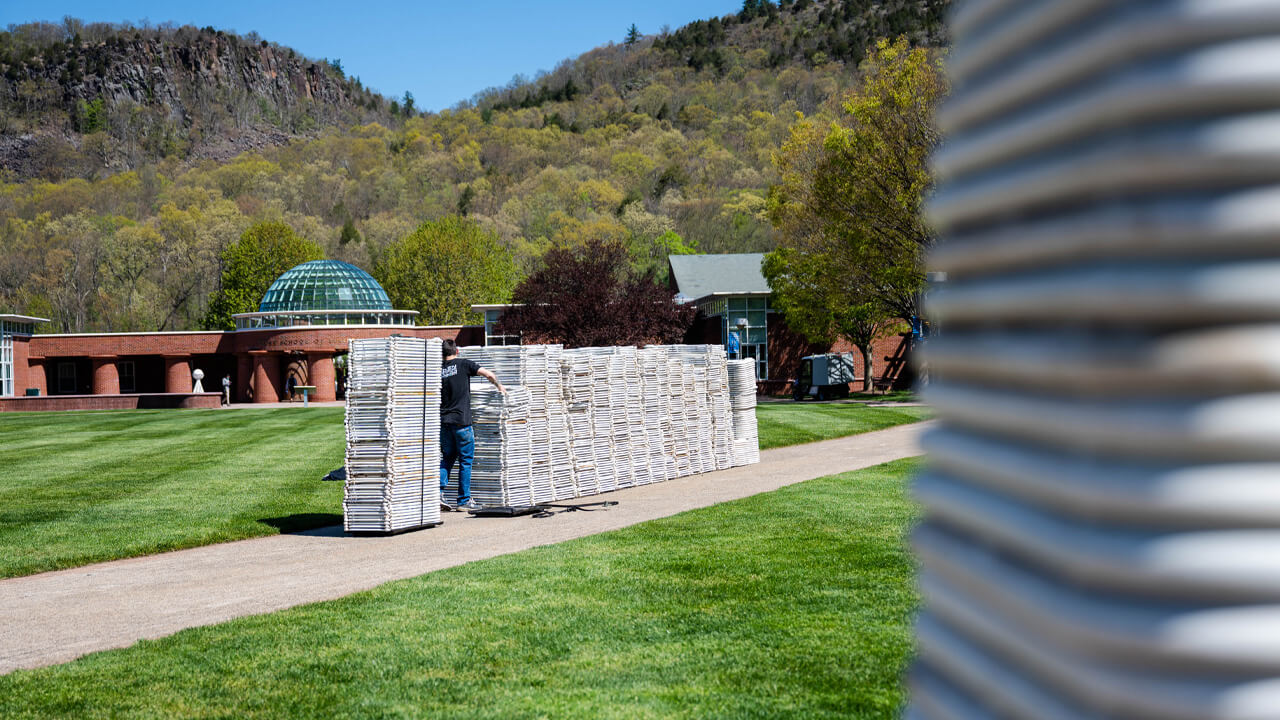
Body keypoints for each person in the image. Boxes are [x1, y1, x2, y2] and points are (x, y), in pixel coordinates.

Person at [439, 338, 505, 511]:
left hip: (444, 423)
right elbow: (488, 374)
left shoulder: (437, 370)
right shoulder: (463, 364)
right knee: (465, 461)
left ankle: (436, 494)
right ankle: (463, 501)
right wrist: (499, 386)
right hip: (462, 422)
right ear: (457, 351)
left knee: (447, 457)